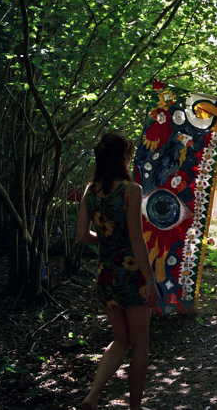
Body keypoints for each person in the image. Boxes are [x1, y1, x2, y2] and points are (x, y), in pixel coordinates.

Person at [76, 132, 158, 410]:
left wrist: (108, 239)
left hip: (105, 274)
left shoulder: (91, 191)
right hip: (130, 274)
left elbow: (82, 235)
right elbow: (136, 239)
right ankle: (135, 407)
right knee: (140, 343)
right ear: (123, 158)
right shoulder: (130, 190)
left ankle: (92, 396)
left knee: (121, 339)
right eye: (129, 154)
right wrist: (149, 281)